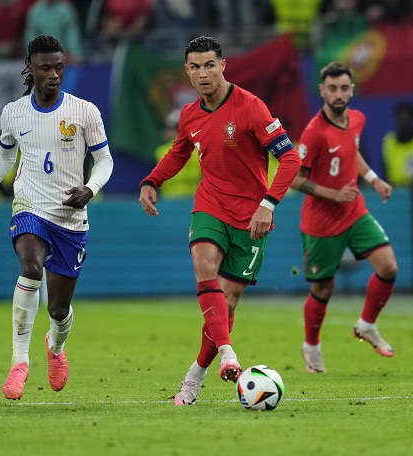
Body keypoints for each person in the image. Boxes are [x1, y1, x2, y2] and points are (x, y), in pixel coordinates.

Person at [138, 36, 302, 405]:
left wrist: (268, 204)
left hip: (252, 216)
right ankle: (228, 353)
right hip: (210, 205)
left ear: (223, 65)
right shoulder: (189, 114)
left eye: (210, 65)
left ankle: (194, 376)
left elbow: (290, 159)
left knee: (226, 303)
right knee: (203, 264)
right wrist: (152, 180)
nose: (203, 74)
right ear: (187, 71)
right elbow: (179, 152)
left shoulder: (251, 107)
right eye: (195, 67)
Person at [0, 34, 114, 400]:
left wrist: (90, 188)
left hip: (70, 217)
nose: (54, 75)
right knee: (30, 268)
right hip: (30, 207)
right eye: (45, 68)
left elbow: (104, 161)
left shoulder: (84, 111)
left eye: (59, 67)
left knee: (58, 309)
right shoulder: (14, 113)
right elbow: (3, 159)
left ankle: (55, 347)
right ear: (30, 68)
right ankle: (19, 361)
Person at [290, 62, 398, 374]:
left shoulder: (357, 119)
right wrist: (333, 194)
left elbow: (352, 151)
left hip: (354, 211)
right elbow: (294, 179)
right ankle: (311, 346)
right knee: (323, 289)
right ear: (322, 91)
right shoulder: (314, 133)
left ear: (351, 90)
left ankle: (366, 325)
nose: (338, 94)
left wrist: (373, 178)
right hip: (321, 222)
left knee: (388, 266)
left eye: (343, 88)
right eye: (332, 88)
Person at [382, 102, 413, 188]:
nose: (404, 124)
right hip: (395, 189)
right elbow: (385, 167)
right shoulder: (389, 140)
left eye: (407, 120)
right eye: (401, 120)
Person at [153, 109, 201, 198]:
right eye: (167, 128)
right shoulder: (161, 151)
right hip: (169, 199)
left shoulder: (197, 149)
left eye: (173, 128)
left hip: (193, 198)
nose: (168, 131)